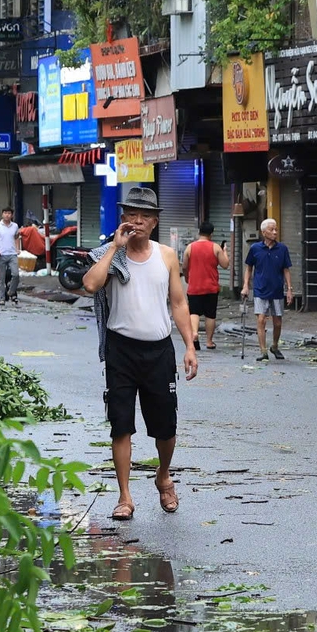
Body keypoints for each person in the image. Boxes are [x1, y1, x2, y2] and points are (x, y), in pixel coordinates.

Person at [84, 185, 197, 520]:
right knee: (121, 424)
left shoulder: (166, 256)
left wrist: (190, 346)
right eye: (131, 214)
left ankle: (163, 476)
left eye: (144, 215)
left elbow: (178, 302)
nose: (138, 221)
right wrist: (114, 247)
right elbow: (90, 284)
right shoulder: (110, 255)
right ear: (123, 220)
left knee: (166, 427)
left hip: (159, 350)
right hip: (121, 349)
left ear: (154, 222)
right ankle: (124, 496)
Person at [242, 217, 294, 360]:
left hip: (277, 289)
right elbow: (249, 268)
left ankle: (275, 346)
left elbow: (286, 270)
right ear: (264, 232)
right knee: (261, 320)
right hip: (260, 289)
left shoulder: (282, 249)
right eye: (272, 230)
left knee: (277, 322)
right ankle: (263, 350)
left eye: (276, 229)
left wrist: (289, 289)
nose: (275, 232)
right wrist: (246, 286)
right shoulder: (255, 249)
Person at [184, 221, 229, 351]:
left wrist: (187, 277)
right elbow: (225, 264)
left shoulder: (190, 247)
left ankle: (194, 334)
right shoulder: (215, 247)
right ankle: (209, 341)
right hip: (211, 287)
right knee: (210, 315)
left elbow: (185, 266)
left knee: (194, 312)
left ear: (199, 232)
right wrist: (225, 251)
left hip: (194, 286)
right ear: (212, 233)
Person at [0, 206, 21, 303]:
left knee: (16, 274)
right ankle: (2, 298)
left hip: (12, 254)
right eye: (5, 213)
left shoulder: (14, 226)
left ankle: (11, 291)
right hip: (1, 254)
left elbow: (17, 237)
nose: (7, 215)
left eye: (9, 213)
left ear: (12, 215)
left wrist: (18, 249)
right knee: (1, 278)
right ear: (2, 214)